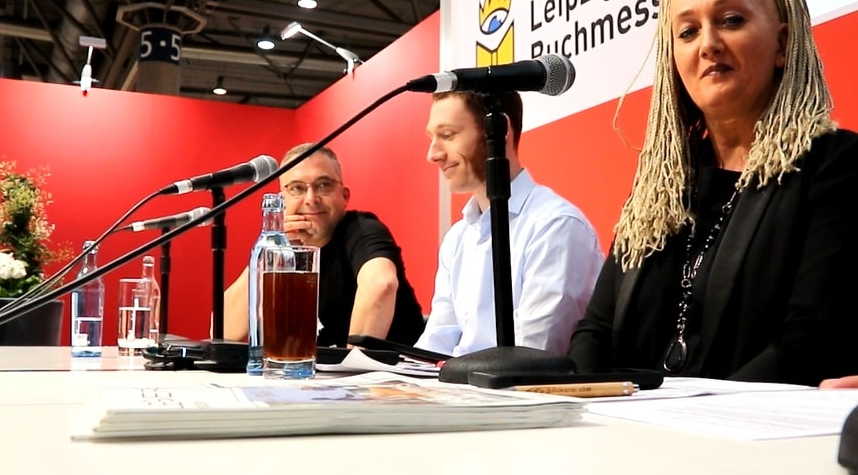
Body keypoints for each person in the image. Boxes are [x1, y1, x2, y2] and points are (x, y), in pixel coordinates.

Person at [568, 0, 858, 386]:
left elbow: (807, 342)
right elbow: (596, 331)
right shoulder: (659, 192)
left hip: (752, 427)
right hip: (628, 426)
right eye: (687, 31)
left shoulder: (835, 165)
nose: (707, 44)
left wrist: (690, 419)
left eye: (731, 20)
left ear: (783, 44)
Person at [415, 90, 603, 356]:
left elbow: (534, 358)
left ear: (499, 130)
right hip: (462, 381)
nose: (433, 154)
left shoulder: (555, 226)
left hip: (516, 383)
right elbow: (434, 347)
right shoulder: (457, 238)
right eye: (431, 138)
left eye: (447, 135)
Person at [223, 143, 426, 346]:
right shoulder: (279, 251)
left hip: (388, 365)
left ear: (344, 196)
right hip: (312, 365)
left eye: (323, 185)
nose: (311, 199)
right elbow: (224, 330)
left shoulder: (362, 229)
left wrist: (351, 362)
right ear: (281, 200)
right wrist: (269, 255)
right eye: (297, 188)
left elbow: (381, 284)